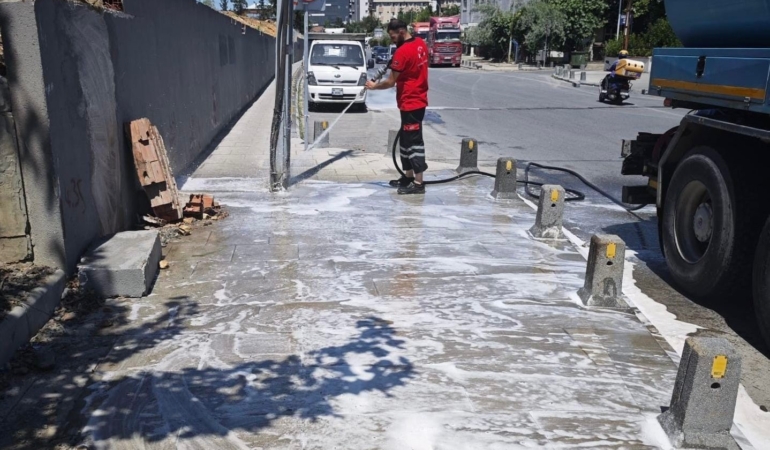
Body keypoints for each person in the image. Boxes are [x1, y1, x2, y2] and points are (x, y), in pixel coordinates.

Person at [366, 19, 430, 195]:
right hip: (414, 100)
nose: (392, 40)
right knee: (406, 141)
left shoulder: (403, 52)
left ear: (401, 32)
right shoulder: (420, 44)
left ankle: (418, 183)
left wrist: (373, 87)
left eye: (393, 36)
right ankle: (408, 176)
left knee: (414, 142)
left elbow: (390, 82)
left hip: (412, 101)